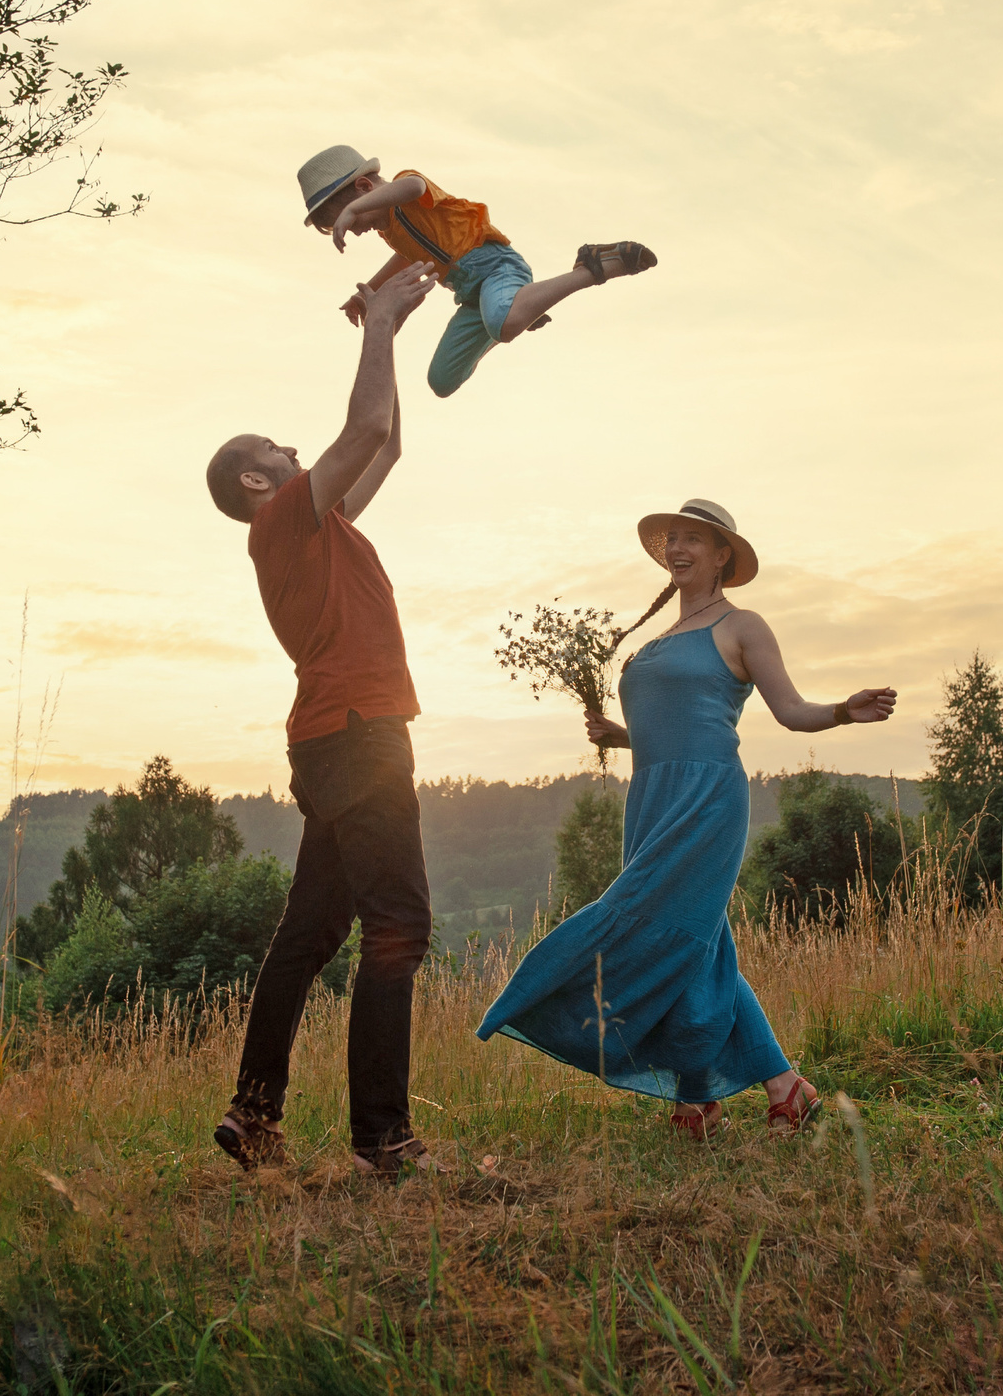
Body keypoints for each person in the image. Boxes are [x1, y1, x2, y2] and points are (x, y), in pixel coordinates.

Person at [475, 499, 899, 1138]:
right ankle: (743, 1092)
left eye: (692, 539)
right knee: (698, 945)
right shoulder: (658, 638)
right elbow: (669, 723)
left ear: (722, 553)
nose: (676, 548)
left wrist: (842, 710)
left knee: (648, 925)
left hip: (708, 798)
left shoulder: (743, 625)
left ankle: (538, 996)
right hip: (651, 796)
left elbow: (789, 711)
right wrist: (622, 737)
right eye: (670, 538)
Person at [202, 264, 443, 1180]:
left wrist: (388, 330)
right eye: (281, 447)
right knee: (399, 925)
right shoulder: (281, 527)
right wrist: (375, 323)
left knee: (309, 934)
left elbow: (384, 447)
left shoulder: (321, 525)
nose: (300, 452)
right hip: (359, 732)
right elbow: (364, 428)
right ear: (261, 477)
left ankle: (253, 1113)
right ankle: (381, 1135)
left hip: (333, 737)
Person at [294, 144, 658, 399]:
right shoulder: (392, 230)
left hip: (495, 265)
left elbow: (413, 186)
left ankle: (591, 267)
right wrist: (366, 293)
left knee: (506, 322)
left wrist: (353, 211)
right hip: (470, 294)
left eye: (353, 218)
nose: (356, 229)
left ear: (364, 187)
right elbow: (406, 258)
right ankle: (511, 308)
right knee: (441, 381)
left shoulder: (408, 187)